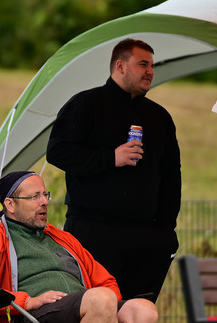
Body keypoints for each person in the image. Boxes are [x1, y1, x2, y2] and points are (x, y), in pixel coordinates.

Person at [0, 170, 158, 323]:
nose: (44, 202)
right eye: (34, 196)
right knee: (101, 298)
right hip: (29, 322)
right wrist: (28, 301)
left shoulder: (62, 238)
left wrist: (103, 310)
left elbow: (106, 282)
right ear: (10, 205)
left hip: (82, 314)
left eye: (45, 195)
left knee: (144, 311)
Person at [46, 38, 181, 302]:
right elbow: (58, 152)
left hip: (147, 237)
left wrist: (166, 231)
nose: (150, 71)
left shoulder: (159, 117)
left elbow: (171, 177)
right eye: (143, 64)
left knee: (136, 315)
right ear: (120, 65)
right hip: (93, 232)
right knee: (95, 313)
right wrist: (111, 158)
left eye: (152, 65)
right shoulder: (86, 105)